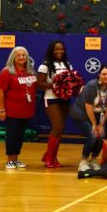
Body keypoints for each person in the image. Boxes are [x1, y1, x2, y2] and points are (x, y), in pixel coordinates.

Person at [70, 65, 107, 172]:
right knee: (92, 135)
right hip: (82, 113)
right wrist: (94, 124)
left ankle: (92, 160)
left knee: (101, 136)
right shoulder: (92, 85)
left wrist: (101, 124)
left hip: (99, 114)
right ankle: (83, 161)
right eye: (104, 74)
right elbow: (88, 106)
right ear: (99, 75)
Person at [0, 46, 37, 170]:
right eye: (18, 55)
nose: (21, 57)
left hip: (26, 110)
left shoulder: (30, 72)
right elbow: (0, 91)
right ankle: (9, 160)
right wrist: (2, 109)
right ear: (13, 57)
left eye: (24, 55)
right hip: (12, 111)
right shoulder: (6, 72)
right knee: (12, 135)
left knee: (20, 136)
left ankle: (16, 159)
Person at [36, 40, 71, 168]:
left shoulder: (67, 65)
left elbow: (71, 81)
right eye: (56, 49)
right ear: (51, 51)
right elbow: (39, 84)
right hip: (51, 98)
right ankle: (48, 157)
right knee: (57, 127)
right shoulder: (45, 66)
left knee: (60, 129)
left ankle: (52, 156)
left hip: (65, 99)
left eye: (61, 49)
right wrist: (54, 85)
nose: (59, 52)